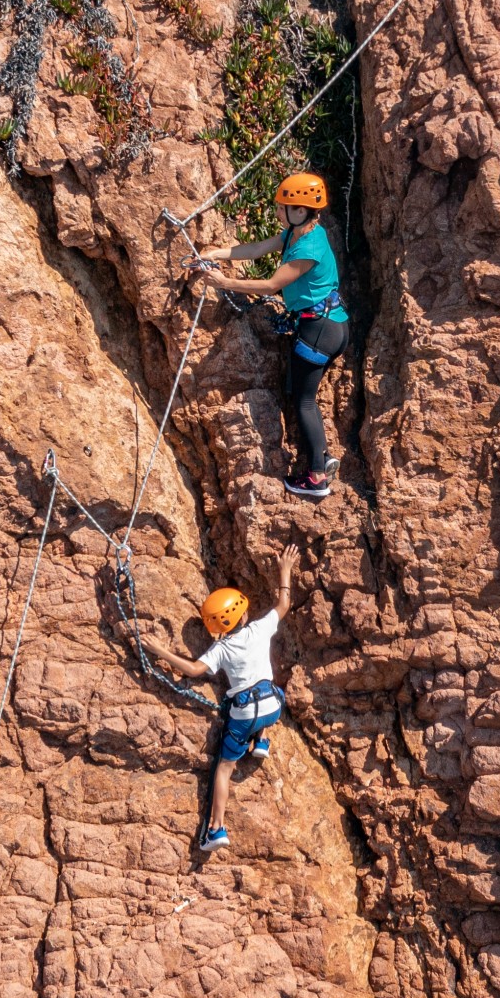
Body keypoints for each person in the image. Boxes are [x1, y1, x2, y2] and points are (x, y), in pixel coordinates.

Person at [196, 173, 348, 500]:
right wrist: (218, 254)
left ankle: (317, 479)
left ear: (300, 210)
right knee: (303, 396)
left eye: (284, 206)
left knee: (304, 401)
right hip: (327, 326)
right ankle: (322, 457)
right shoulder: (301, 232)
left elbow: (270, 285)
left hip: (318, 331)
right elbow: (259, 248)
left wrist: (223, 283)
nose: (279, 210)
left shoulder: (307, 247)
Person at [141, 541, 298, 853]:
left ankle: (216, 829)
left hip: (244, 714)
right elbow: (283, 604)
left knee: (224, 768)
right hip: (272, 708)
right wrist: (285, 571)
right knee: (270, 685)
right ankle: (262, 741)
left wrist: (159, 650)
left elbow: (194, 669)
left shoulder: (221, 649)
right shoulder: (258, 630)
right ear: (241, 616)